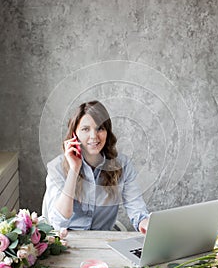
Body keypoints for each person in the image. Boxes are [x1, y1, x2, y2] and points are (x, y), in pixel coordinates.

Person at [42, 100, 149, 233]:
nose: (94, 136)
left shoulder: (123, 166)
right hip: (67, 242)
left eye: (100, 128)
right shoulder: (56, 168)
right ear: (74, 134)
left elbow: (137, 209)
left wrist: (145, 224)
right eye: (85, 129)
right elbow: (59, 221)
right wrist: (74, 169)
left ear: (107, 132)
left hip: (104, 242)